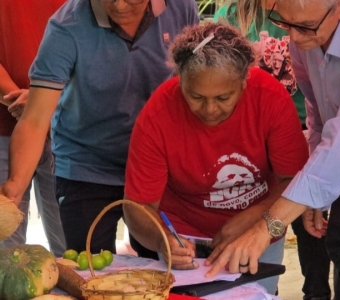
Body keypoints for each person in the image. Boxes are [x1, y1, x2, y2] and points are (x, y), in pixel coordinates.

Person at [205, 0, 340, 299]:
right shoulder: (308, 36)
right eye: (285, 23)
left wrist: (266, 227)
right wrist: (313, 198)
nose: (294, 39)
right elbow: (319, 117)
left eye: (305, 27)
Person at [122, 22, 309, 295]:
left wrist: (255, 219)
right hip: (186, 238)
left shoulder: (269, 97)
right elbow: (137, 207)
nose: (210, 109)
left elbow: (295, 180)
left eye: (224, 97)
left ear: (244, 81)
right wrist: (163, 241)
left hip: (262, 229)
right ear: (180, 80)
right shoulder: (158, 113)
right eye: (195, 96)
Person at [0, 0, 199, 255]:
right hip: (86, 164)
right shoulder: (66, 25)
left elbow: (192, 85)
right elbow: (34, 120)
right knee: (89, 270)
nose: (119, 5)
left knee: (166, 262)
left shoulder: (181, 8)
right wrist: (15, 184)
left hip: (154, 163)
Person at [214, 1, 332, 299]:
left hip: (307, 130)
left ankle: (316, 291)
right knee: (263, 221)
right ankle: (266, 290)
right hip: (254, 141)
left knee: (311, 222)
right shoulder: (232, 15)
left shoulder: (308, 9)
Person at [0, 0, 66, 257]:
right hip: (4, 126)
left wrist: (44, 99)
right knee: (7, 253)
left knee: (70, 247)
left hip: (65, 127)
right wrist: (23, 101)